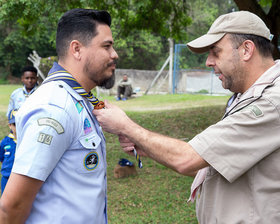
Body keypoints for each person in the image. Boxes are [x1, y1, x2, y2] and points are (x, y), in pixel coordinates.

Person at [93, 11, 280, 223]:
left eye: (215, 52)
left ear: (246, 50)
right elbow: (214, 162)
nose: (209, 62)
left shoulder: (271, 102)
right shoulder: (248, 95)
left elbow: (188, 159)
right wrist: (149, 147)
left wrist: (126, 126)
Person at [0, 8, 118, 224]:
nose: (114, 54)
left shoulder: (78, 99)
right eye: (107, 46)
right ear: (77, 49)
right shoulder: (55, 107)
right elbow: (12, 206)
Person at [0, 109, 17, 195]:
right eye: (15, 124)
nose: (18, 127)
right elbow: (1, 158)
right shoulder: (5, 142)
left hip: (20, 179)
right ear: (10, 125)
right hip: (6, 177)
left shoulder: (27, 142)